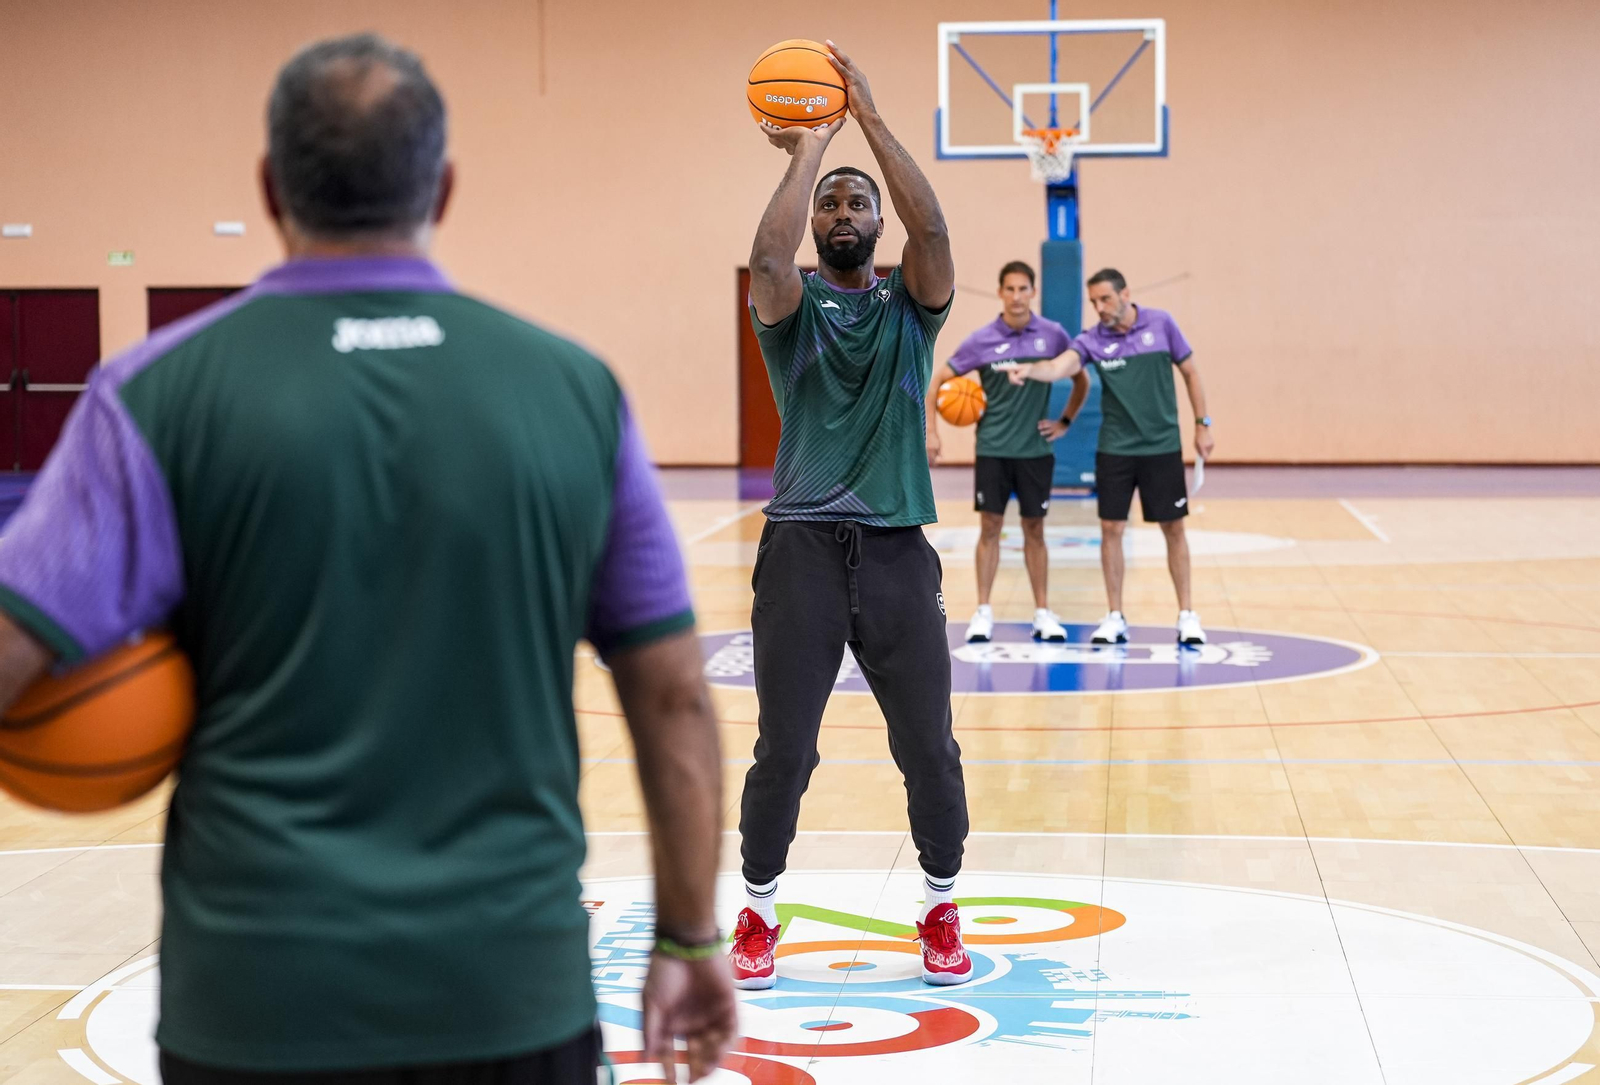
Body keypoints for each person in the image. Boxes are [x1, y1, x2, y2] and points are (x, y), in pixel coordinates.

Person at [0, 34, 736, 1085]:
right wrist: (689, 939)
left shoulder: (153, 396)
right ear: (441, 186)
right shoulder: (573, 390)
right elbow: (671, 698)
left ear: (267, 186)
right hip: (506, 994)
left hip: (252, 1007)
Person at [736, 40, 972, 990]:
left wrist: (867, 124)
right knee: (784, 747)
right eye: (830, 203)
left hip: (895, 553)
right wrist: (806, 149)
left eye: (855, 201)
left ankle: (941, 901)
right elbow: (764, 254)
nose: (842, 212)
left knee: (929, 744)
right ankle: (756, 909)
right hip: (798, 550)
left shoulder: (912, 312)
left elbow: (941, 234)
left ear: (878, 223)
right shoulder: (787, 315)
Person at [1007, 267, 1215, 645]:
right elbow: (1060, 366)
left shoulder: (1161, 324)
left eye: (1105, 299)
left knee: (1174, 529)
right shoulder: (1092, 340)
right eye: (1093, 302)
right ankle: (1115, 615)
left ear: (1125, 294)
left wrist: (1203, 423)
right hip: (1115, 449)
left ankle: (1187, 615)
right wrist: (1032, 370)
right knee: (1111, 530)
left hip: (1162, 446)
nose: (1099, 308)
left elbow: (1191, 373)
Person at [926, 260, 1092, 644]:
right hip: (993, 450)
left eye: (1023, 289)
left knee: (1036, 530)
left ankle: (1042, 613)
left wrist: (1065, 420)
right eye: (1010, 289)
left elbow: (1080, 377)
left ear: (1033, 292)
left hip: (1036, 451)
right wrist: (931, 431)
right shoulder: (982, 340)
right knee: (990, 529)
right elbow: (938, 382)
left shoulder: (1052, 336)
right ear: (1000, 292)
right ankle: (983, 612)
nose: (1017, 296)